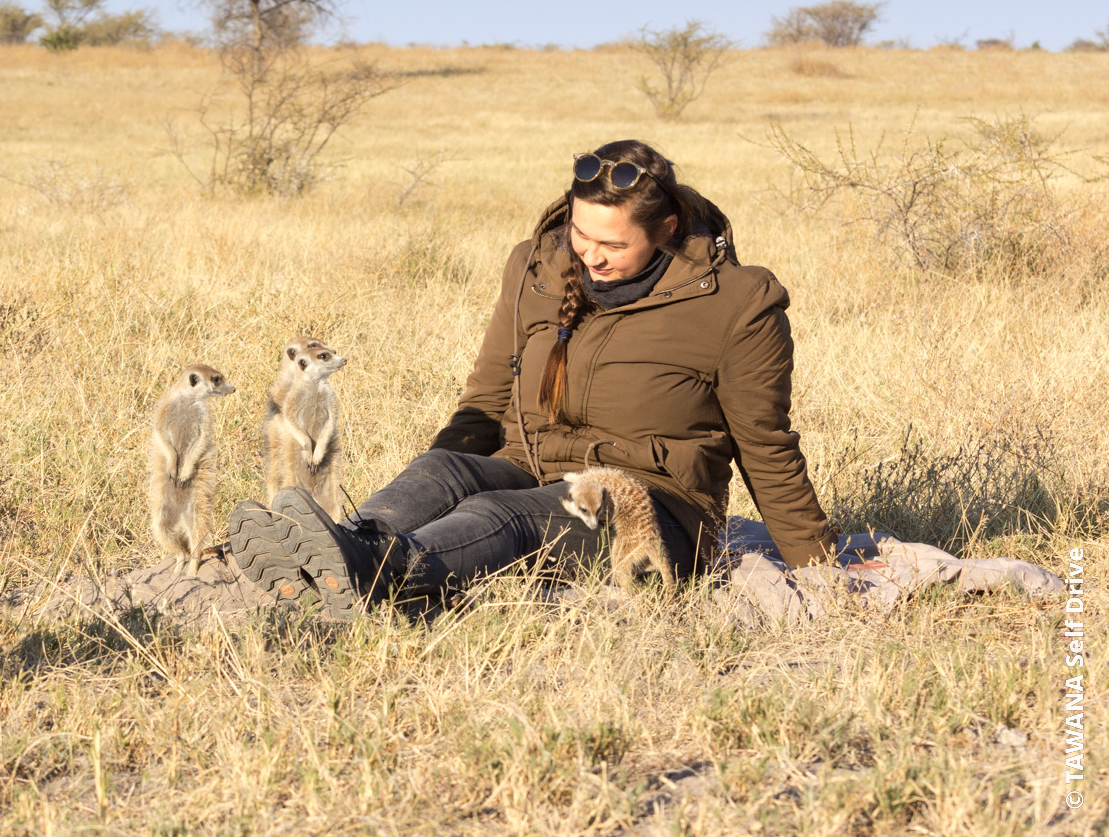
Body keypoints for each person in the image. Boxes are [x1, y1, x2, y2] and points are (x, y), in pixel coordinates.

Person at [229, 139, 839, 618]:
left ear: (668, 230)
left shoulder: (738, 302)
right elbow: (488, 396)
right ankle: (335, 543)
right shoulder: (535, 265)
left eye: (611, 244)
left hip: (651, 504)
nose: (590, 256)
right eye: (580, 234)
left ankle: (375, 571)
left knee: (505, 511)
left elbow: (766, 445)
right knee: (448, 470)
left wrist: (817, 562)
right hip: (531, 458)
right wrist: (438, 477)